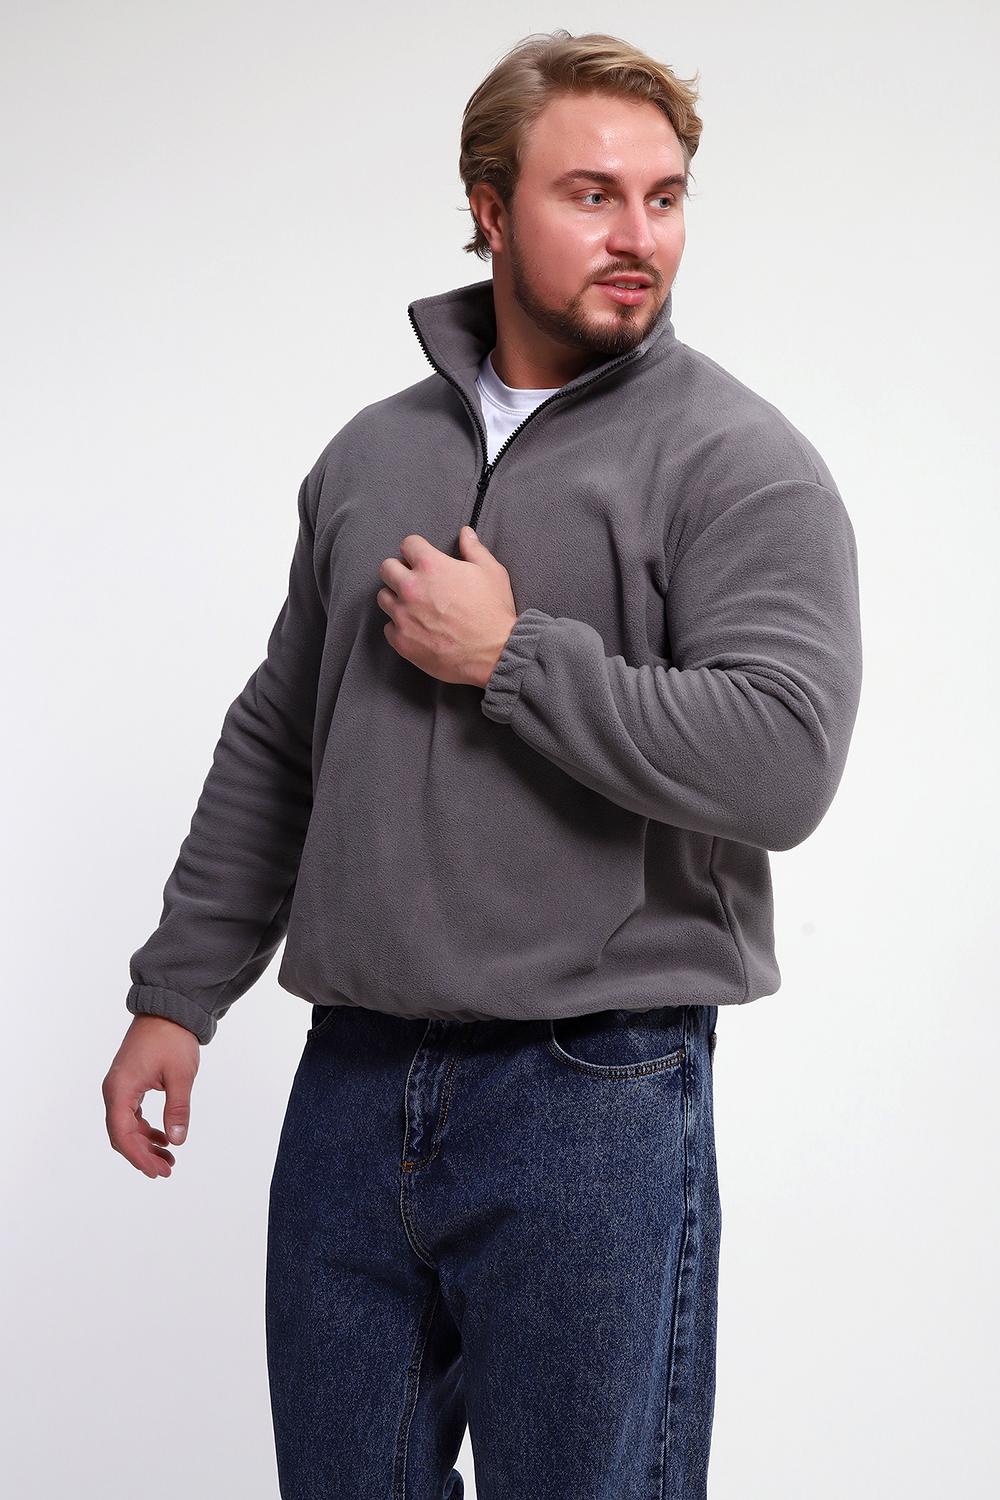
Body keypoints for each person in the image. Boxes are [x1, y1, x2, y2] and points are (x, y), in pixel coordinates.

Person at [103, 30, 862, 1500]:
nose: (640, 237)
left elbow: (784, 760)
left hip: (592, 1087)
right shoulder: (368, 457)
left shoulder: (738, 461)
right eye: (593, 195)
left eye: (665, 197)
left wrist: (513, 657)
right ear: (490, 207)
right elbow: (284, 735)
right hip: (352, 1077)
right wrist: (176, 996)